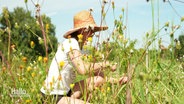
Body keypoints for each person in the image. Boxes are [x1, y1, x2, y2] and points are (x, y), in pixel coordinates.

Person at [40, 10, 128, 104]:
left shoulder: (83, 48)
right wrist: (106, 64)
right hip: (52, 96)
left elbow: (96, 71)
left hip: (66, 91)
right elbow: (82, 69)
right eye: (90, 30)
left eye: (93, 31)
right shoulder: (71, 42)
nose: (92, 34)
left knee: (99, 79)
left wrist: (116, 81)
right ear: (81, 31)